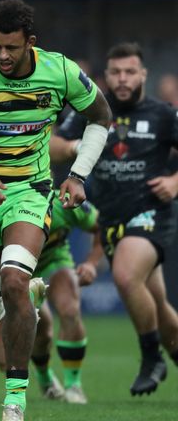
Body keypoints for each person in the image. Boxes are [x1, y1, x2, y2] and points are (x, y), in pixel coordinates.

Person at [0, 0, 112, 421]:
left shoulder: (61, 71)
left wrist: (78, 174)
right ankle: (27, 295)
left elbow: (101, 117)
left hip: (32, 191)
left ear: (31, 42)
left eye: (11, 47)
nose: (2, 56)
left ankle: (15, 398)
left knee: (13, 280)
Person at [56, 42, 178, 397]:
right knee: (156, 303)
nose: (123, 79)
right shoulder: (92, 112)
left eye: (130, 71)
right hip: (110, 220)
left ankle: (150, 357)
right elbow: (53, 145)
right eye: (116, 72)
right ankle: (168, 351)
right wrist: (75, 148)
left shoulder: (162, 114)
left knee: (124, 276)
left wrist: (174, 181)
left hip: (150, 213)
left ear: (143, 74)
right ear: (105, 77)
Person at [0, 194, 103, 405]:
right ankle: (46, 379)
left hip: (55, 262)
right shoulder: (3, 207)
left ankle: (73, 385)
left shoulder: (63, 203)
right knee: (42, 330)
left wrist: (91, 263)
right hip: (20, 272)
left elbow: (101, 227)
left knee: (69, 310)